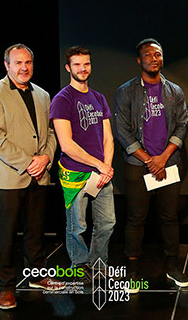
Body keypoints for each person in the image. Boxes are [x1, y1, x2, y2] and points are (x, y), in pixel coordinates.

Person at [0, 44, 64, 310]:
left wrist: (46, 158)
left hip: (39, 175)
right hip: (9, 176)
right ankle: (5, 288)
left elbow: (51, 133)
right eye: (17, 63)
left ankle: (37, 276)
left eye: (28, 62)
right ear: (6, 65)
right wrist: (30, 162)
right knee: (6, 234)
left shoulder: (42, 94)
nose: (24, 67)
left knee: (36, 230)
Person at [113, 38, 188, 291]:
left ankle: (172, 267)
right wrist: (148, 159)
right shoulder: (126, 91)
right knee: (136, 218)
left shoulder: (175, 91)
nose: (153, 58)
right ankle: (133, 272)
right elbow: (122, 131)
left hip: (168, 163)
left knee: (169, 217)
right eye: (148, 55)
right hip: (137, 165)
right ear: (139, 60)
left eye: (158, 54)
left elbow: (182, 125)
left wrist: (162, 158)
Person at [50, 46, 116, 279]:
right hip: (76, 174)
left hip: (101, 173)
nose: (82, 68)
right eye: (77, 64)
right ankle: (79, 265)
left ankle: (97, 264)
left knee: (107, 223)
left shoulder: (99, 98)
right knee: (77, 226)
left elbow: (108, 137)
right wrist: (99, 165)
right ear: (68, 68)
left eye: (86, 64)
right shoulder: (62, 99)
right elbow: (66, 144)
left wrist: (106, 167)